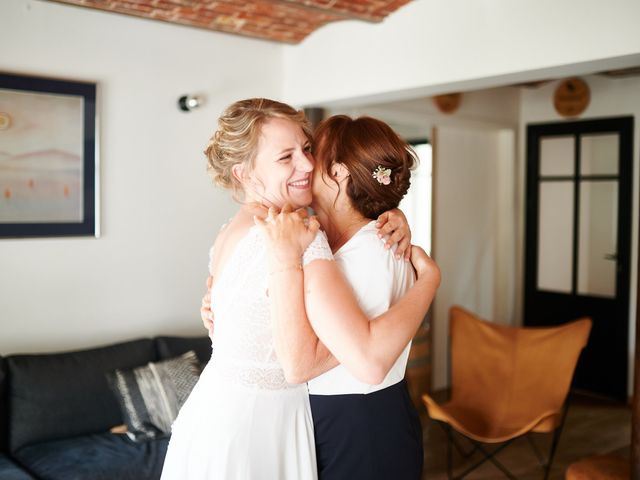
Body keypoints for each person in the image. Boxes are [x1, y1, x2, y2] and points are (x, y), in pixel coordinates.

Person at [161, 99, 438, 480]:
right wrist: (427, 281)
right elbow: (305, 361)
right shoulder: (298, 237)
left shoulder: (240, 229)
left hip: (213, 419)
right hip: (261, 427)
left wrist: (390, 214)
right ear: (243, 173)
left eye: (308, 150)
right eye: (286, 156)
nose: (307, 165)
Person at [256, 114, 437, 479]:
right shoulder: (341, 242)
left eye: (312, 153)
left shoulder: (369, 253)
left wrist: (430, 279)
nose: (305, 165)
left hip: (360, 425)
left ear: (338, 173)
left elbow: (361, 362)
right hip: (354, 418)